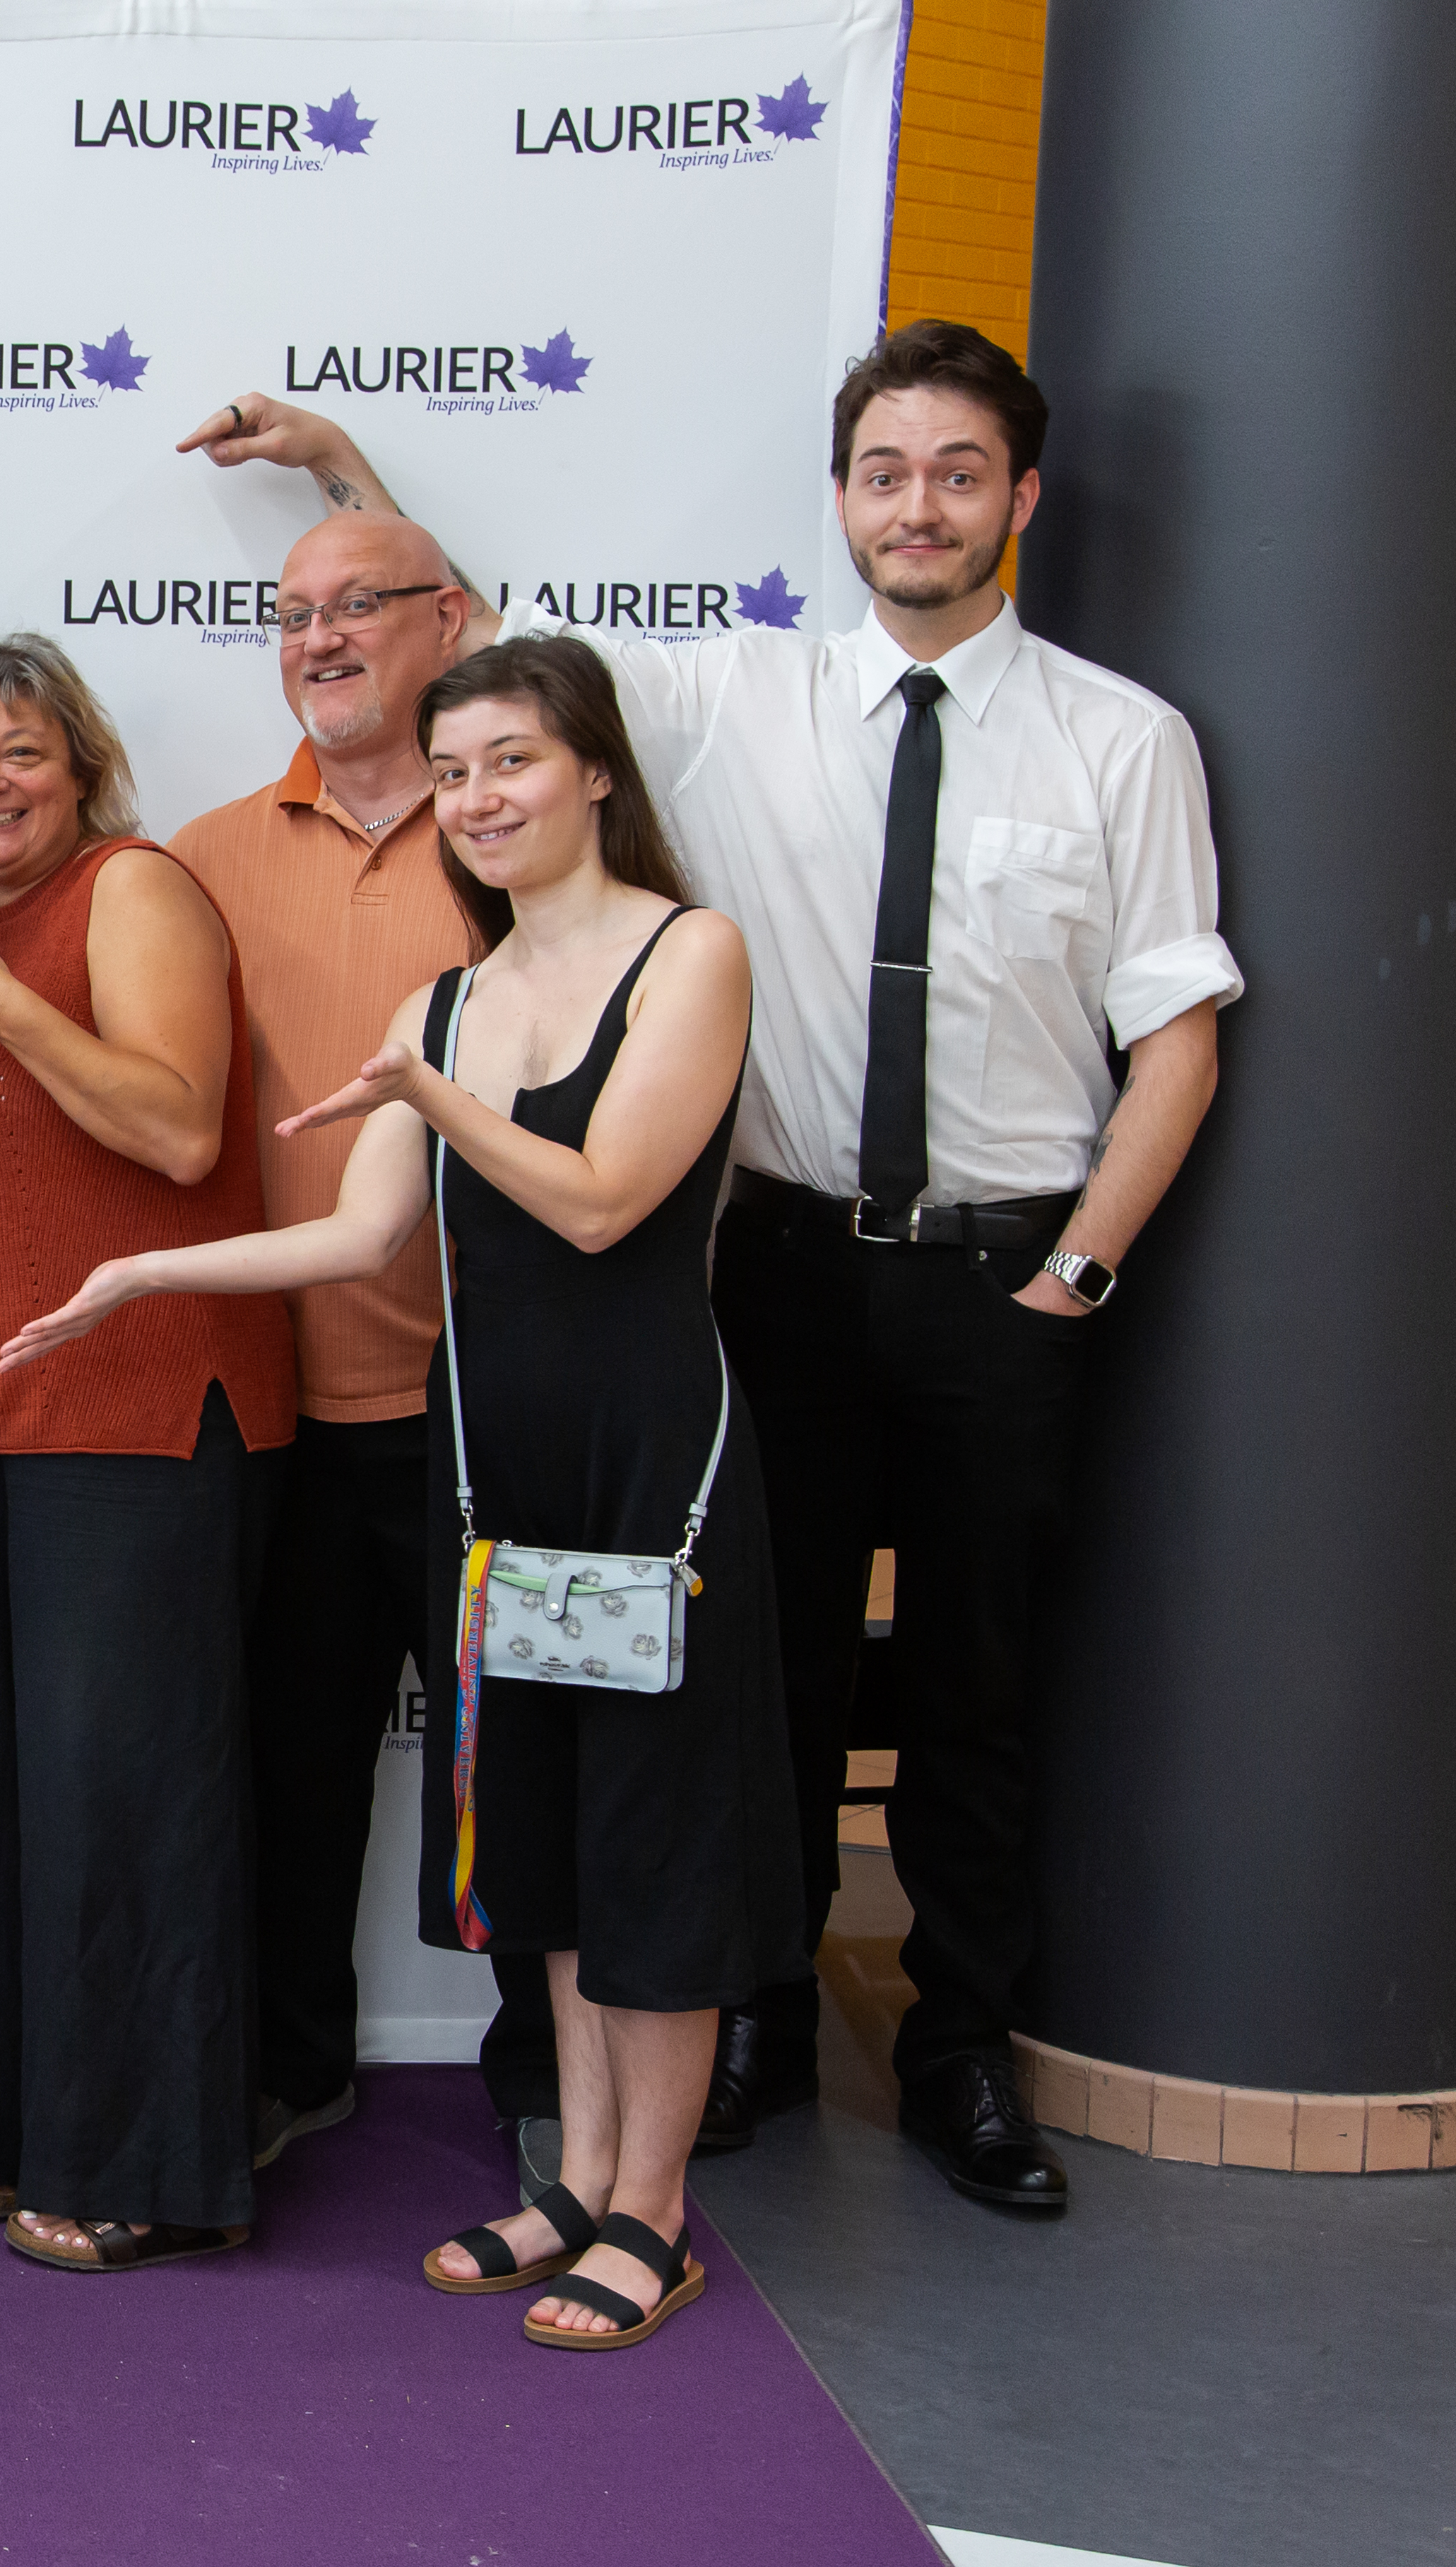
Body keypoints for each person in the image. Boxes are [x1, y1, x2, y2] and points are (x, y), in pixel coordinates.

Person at [191, 321, 1238, 2209]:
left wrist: (1074, 1278)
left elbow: (1174, 1037)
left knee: (979, 1689)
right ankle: (746, 2024)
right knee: (759, 1686)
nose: (916, 506)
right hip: (770, 1280)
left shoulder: (1120, 737)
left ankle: (960, 2049)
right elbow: (491, 665)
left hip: (999, 1280)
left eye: (957, 473)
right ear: (838, 499)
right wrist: (343, 471)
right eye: (882, 473)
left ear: (1017, 496)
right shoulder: (737, 697)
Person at [6, 635, 793, 2349]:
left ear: (593, 770)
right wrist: (147, 1270)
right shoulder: (443, 1000)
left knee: (650, 1845)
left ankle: (654, 2213)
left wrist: (435, 1095)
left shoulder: (690, 950)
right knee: (547, 1845)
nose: (478, 798)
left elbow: (598, 1197)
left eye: (512, 760)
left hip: (647, 1477)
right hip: (491, 1477)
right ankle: (582, 2180)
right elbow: (362, 1232)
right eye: (452, 774)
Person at [152, 502, 566, 2194]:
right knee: (284, 1768)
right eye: (293, 612)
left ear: (451, 618)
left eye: (359, 605)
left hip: (493, 1402)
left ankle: (550, 2082)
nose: (319, 637)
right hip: (273, 1407)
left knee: (523, 1765)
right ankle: (285, 2067)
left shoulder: (523, 848)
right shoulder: (200, 855)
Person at [0, 636, 297, 2273]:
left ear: (81, 768)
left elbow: (179, 1128)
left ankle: (152, 2170)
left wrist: (2, 1009)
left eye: (19, 751)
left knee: (127, 1811)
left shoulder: (132, 887)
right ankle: (13, 2134)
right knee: (5, 1812)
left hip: (143, 1417)